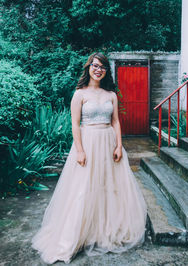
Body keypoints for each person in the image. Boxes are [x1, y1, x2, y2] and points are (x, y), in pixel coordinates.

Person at [31, 52, 147, 264]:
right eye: (95, 66)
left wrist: (119, 145)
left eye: (102, 67)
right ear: (89, 68)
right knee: (84, 187)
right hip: (88, 142)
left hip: (109, 142)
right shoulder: (79, 94)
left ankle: (104, 230)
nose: (98, 69)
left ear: (106, 71)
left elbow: (116, 122)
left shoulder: (111, 94)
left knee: (108, 186)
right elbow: (75, 124)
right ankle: (76, 235)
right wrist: (81, 150)